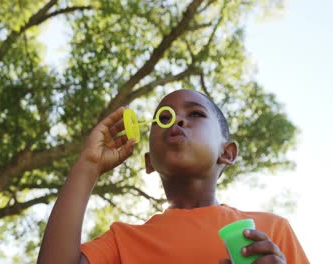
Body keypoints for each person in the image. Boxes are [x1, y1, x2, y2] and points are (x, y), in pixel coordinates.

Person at [37, 89, 309, 263]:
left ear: (227, 152)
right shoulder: (122, 241)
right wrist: (88, 164)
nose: (176, 120)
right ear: (149, 161)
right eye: (162, 118)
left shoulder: (269, 230)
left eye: (195, 114)